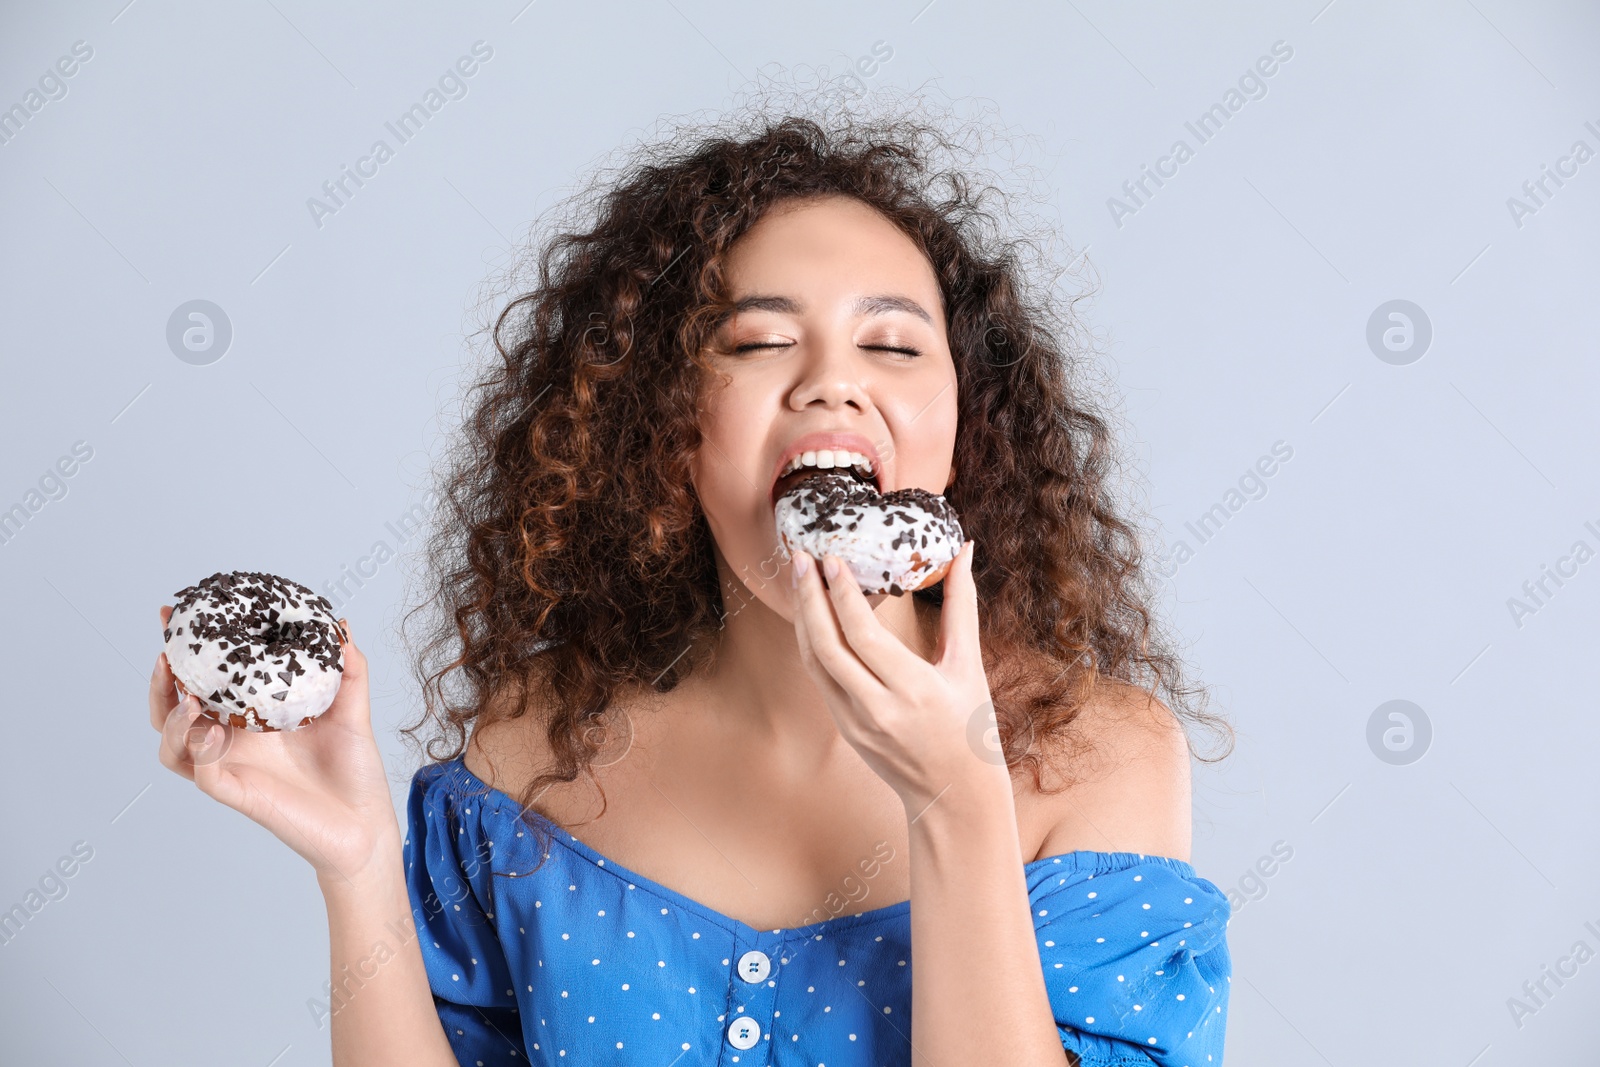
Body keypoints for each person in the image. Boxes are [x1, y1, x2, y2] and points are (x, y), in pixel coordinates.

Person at [149, 87, 1233, 1067]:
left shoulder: (1099, 759)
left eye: (894, 348)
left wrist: (955, 800)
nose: (832, 384)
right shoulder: (530, 758)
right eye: (760, 342)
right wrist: (356, 866)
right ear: (666, 423)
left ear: (963, 429)